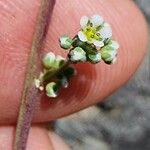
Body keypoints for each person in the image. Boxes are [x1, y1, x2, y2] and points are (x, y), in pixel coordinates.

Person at [0, 0, 148, 149]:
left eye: (93, 34)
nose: (91, 33)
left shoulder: (88, 44)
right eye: (90, 32)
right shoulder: (81, 38)